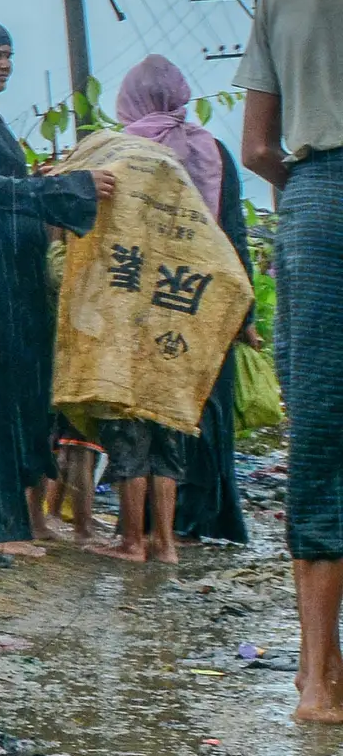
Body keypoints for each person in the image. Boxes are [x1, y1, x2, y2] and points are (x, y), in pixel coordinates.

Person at [0, 17, 115, 553]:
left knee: (16, 395)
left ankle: (11, 524)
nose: (4, 63)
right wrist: (63, 189)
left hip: (11, 279)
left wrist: (43, 188)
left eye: (8, 54)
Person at [240, 0, 343, 722]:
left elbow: (258, 150)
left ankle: (317, 680)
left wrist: (308, 193)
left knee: (320, 427)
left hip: (316, 206)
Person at [114, 51, 257, 548]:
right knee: (204, 406)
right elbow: (233, 236)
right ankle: (202, 520)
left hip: (144, 302)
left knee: (148, 412)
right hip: (205, 300)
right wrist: (246, 315)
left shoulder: (123, 151)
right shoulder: (211, 150)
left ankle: (149, 529)